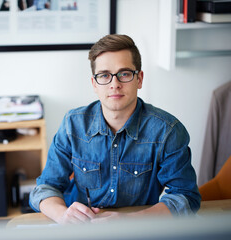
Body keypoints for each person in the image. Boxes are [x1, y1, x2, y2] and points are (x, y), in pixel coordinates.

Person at [29, 34, 201, 224]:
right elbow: (45, 187)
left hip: (138, 229)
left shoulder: (168, 131)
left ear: (139, 79)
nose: (114, 84)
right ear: (94, 83)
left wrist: (129, 221)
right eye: (104, 75)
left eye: (124, 73)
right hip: (80, 229)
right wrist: (63, 215)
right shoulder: (73, 124)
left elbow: (186, 197)